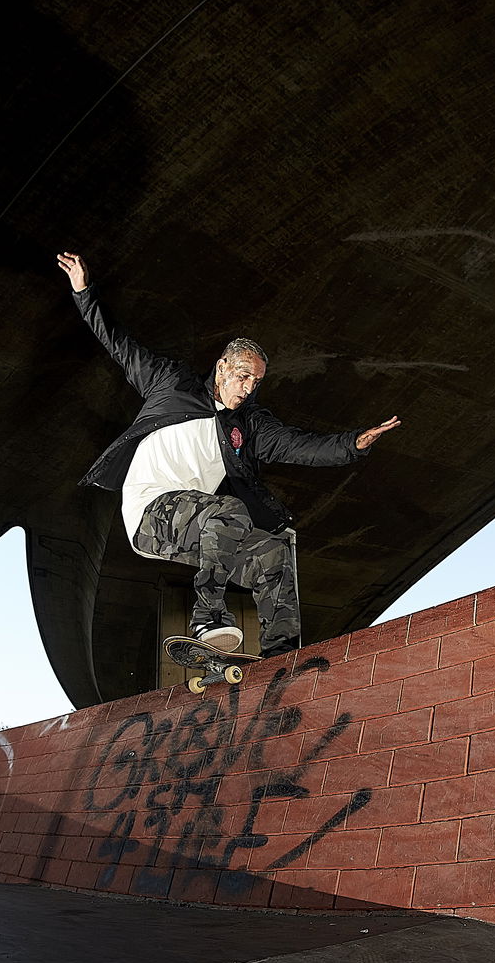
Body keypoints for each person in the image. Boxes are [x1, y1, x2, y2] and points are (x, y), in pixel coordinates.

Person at [58, 249, 400, 657]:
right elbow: (120, 345)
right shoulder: (171, 384)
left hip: (203, 534)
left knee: (274, 550)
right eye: (243, 376)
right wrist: (84, 292)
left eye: (256, 382)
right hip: (151, 514)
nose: (248, 388)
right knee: (229, 509)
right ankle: (207, 617)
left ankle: (281, 657)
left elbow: (298, 444)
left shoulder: (249, 424)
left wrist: (352, 443)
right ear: (222, 367)